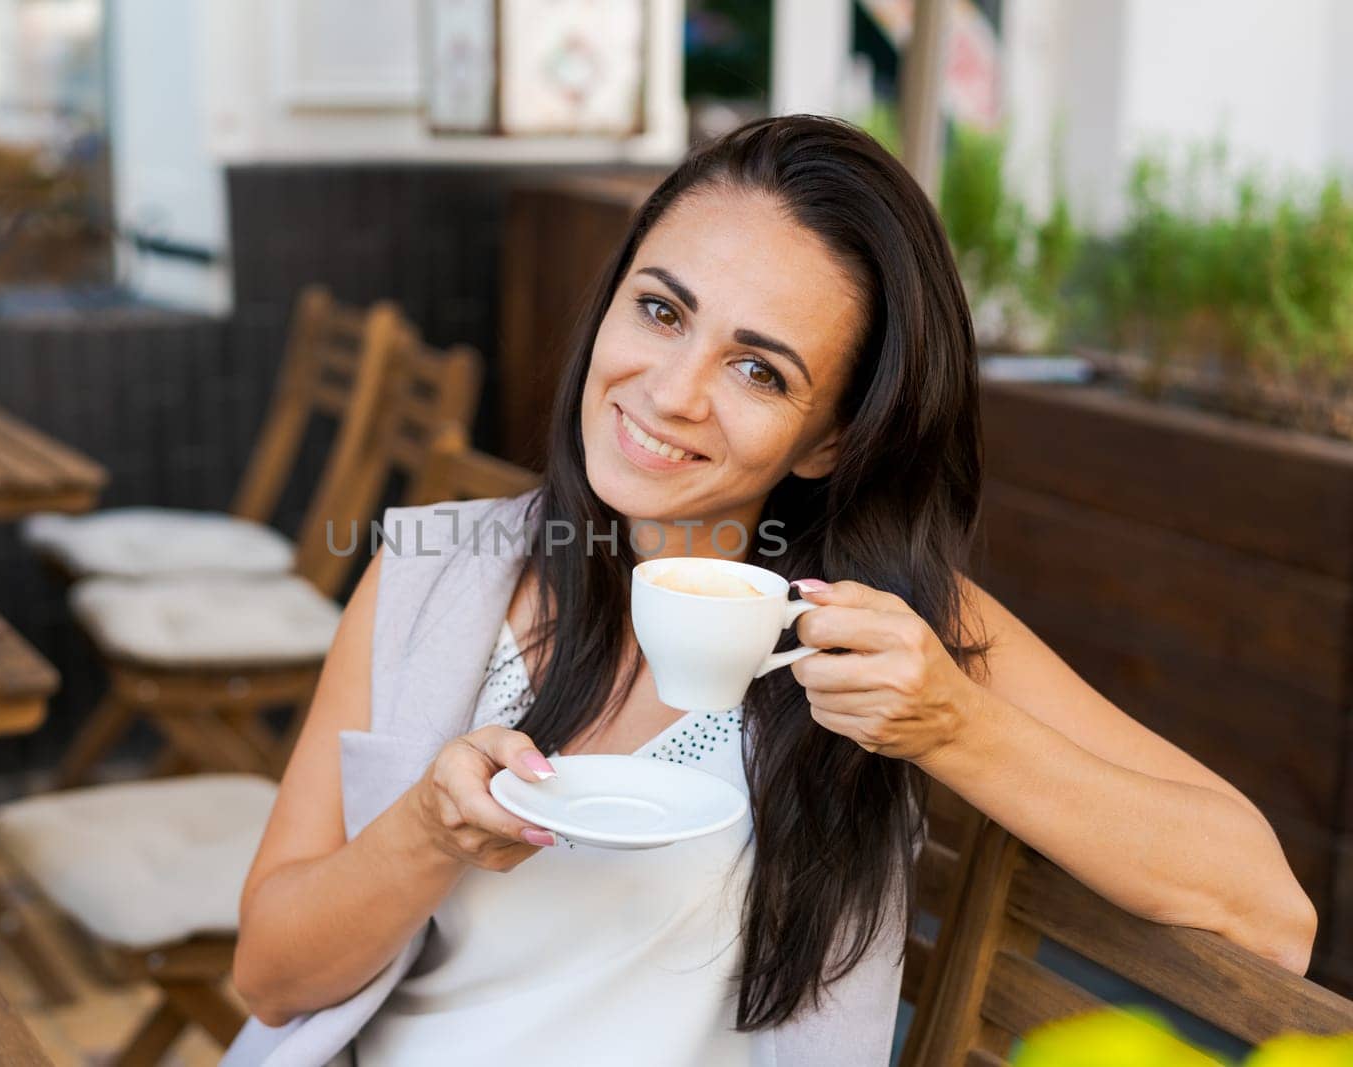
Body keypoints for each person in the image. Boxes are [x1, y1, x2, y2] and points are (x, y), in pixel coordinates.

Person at [224, 116, 1315, 1067]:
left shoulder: (877, 633)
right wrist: (426, 831)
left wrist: (954, 726)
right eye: (659, 310)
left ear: (828, 434)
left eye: (759, 369)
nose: (672, 391)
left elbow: (1267, 912)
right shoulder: (432, 570)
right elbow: (269, 975)